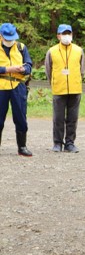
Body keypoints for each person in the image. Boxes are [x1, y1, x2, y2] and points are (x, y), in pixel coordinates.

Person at [45, 24, 85, 153]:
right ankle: (57, 143)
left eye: (69, 33)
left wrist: (77, 80)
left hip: (75, 88)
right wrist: (55, 82)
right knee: (58, 118)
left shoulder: (79, 50)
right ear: (58, 36)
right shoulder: (52, 51)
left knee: (73, 118)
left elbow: (82, 70)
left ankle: (70, 143)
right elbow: (48, 70)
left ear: (72, 35)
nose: (66, 36)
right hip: (59, 88)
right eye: (64, 34)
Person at [0, 23, 33, 157]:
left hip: (18, 86)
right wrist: (7, 70)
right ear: (1, 36)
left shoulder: (21, 47)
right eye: (7, 38)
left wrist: (24, 69)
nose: (10, 41)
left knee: (20, 117)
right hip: (1, 87)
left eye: (12, 38)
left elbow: (29, 65)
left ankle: (22, 146)